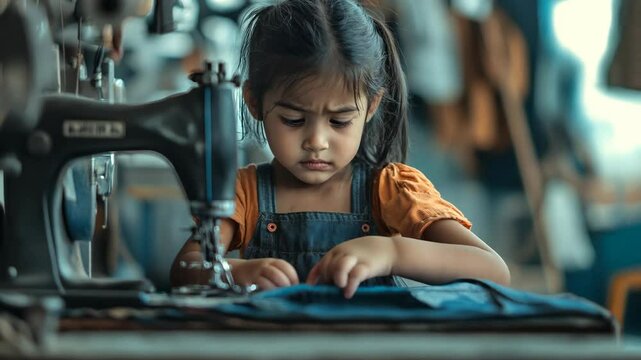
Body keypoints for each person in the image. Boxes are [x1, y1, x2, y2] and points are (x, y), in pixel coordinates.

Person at [170, 0, 510, 298]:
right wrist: (236, 272)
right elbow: (186, 268)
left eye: (339, 122)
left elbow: (493, 270)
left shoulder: (389, 190)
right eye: (292, 120)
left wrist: (391, 252)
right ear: (254, 102)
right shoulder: (244, 194)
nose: (316, 142)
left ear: (372, 106)